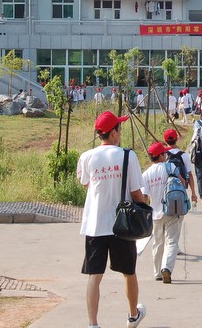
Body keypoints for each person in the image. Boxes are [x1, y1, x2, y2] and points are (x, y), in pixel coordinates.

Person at [76, 111, 147, 328]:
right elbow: (136, 192)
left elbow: (86, 183)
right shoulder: (127, 156)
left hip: (95, 225)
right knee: (129, 272)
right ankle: (133, 315)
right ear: (113, 132)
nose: (121, 132)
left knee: (94, 275)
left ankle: (93, 324)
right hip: (122, 226)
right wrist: (145, 206)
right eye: (119, 128)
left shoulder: (87, 157)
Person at [141, 142, 187, 284]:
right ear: (161, 156)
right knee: (171, 242)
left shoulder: (146, 174)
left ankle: (157, 272)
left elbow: (144, 197)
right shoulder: (170, 167)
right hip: (171, 210)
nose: (166, 155)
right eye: (164, 153)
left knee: (158, 243)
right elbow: (182, 183)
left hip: (155, 213)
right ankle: (166, 268)